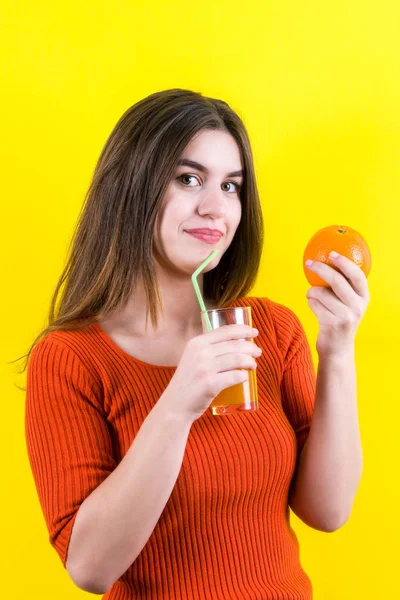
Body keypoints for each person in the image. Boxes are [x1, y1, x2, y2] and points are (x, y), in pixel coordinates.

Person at [23, 88, 319, 599]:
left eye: (231, 186)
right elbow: (90, 568)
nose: (215, 207)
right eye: (188, 179)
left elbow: (328, 511)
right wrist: (178, 404)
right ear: (130, 188)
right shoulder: (71, 359)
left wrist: (337, 348)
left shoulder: (270, 331)